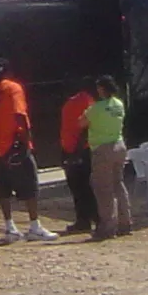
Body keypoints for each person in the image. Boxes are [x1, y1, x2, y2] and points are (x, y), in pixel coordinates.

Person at [0, 58, 55, 242]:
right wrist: (27, 141)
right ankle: (34, 226)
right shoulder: (14, 88)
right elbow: (19, 114)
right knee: (30, 187)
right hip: (15, 145)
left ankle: (10, 228)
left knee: (2, 190)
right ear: (9, 72)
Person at [84, 73, 132, 240]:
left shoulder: (96, 108)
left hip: (102, 148)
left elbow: (81, 122)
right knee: (118, 183)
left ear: (101, 89)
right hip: (119, 145)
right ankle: (125, 223)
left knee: (104, 189)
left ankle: (108, 227)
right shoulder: (119, 104)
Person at [57, 77, 99, 235]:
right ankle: (84, 219)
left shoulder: (84, 101)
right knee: (78, 186)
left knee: (83, 186)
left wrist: (76, 151)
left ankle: (93, 218)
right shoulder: (81, 101)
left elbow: (86, 126)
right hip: (73, 148)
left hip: (79, 149)